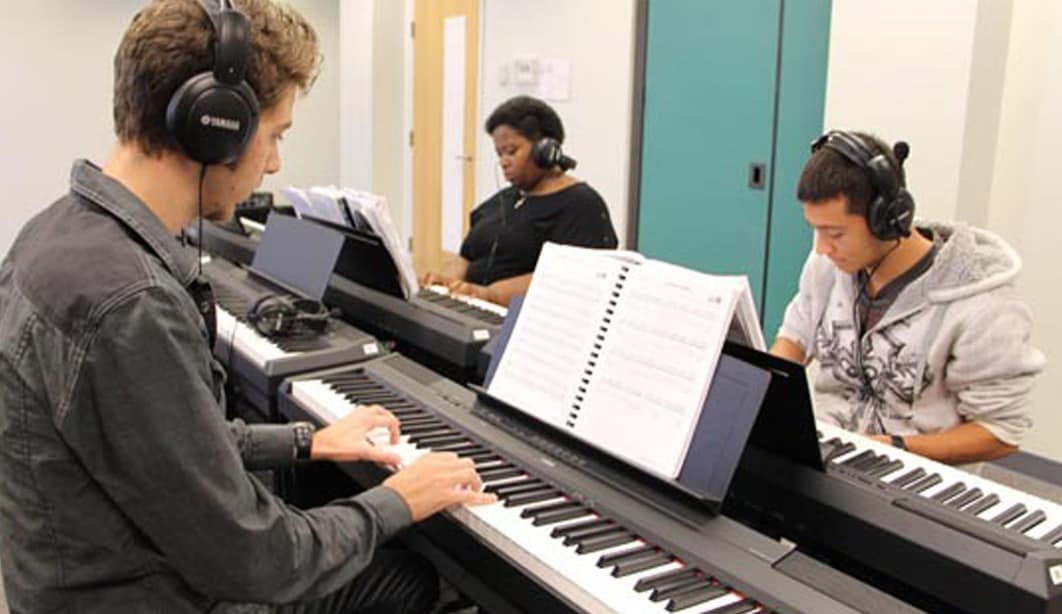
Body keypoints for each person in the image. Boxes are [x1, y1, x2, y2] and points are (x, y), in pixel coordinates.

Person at [0, 1, 493, 612]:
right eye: (277, 134)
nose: (277, 162)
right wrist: (398, 500)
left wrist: (305, 442)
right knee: (428, 581)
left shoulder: (55, 234)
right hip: (162, 595)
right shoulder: (130, 304)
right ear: (215, 126)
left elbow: (169, 447)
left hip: (83, 579)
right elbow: (259, 560)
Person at [770, 130, 1044, 465]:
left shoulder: (983, 305)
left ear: (887, 219)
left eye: (835, 233)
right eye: (816, 230)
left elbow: (1001, 431)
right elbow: (794, 338)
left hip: (913, 474)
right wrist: (768, 394)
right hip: (828, 459)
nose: (822, 248)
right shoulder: (827, 267)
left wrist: (892, 447)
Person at [421, 95, 618, 306]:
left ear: (546, 150)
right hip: (469, 308)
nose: (504, 162)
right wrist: (448, 284)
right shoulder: (502, 200)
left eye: (512, 151)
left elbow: (573, 281)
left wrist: (487, 294)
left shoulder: (581, 204)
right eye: (499, 154)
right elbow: (465, 257)